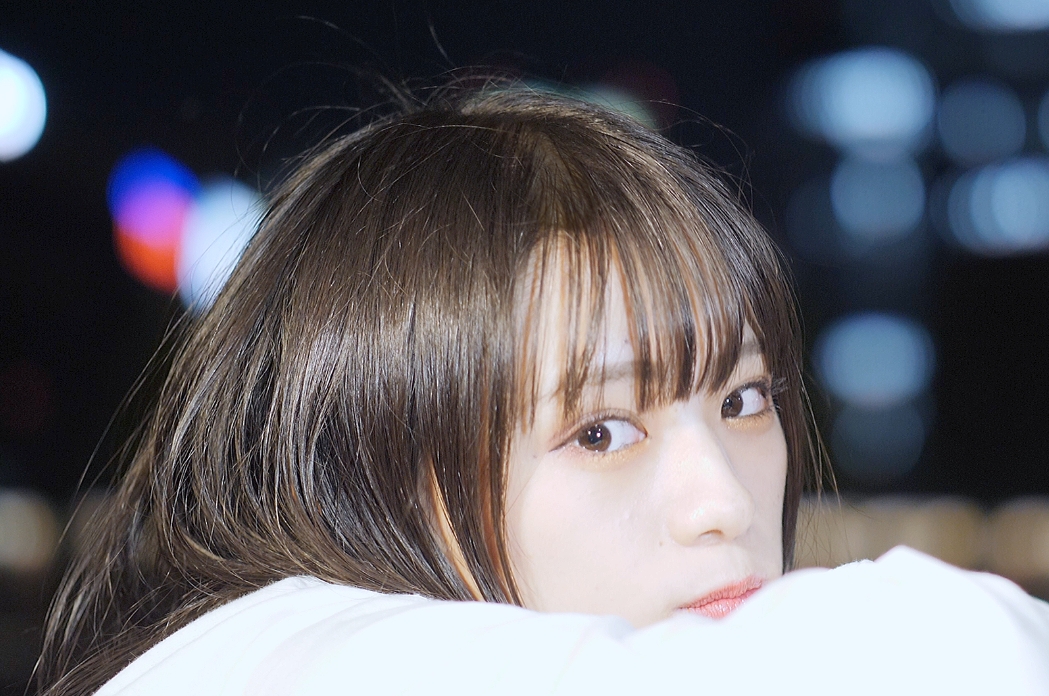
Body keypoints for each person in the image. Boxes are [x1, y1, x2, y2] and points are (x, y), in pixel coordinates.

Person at [38, 86, 1049, 695]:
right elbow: (950, 655)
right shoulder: (280, 663)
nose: (723, 504)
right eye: (600, 432)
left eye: (743, 401)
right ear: (374, 471)